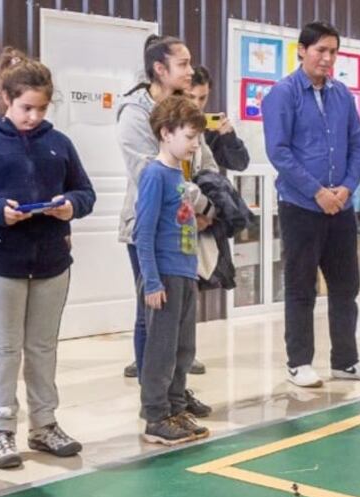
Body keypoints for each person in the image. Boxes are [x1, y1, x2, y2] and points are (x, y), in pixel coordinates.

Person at [0, 48, 96, 469]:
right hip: (1, 262)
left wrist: (70, 205)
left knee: (43, 348)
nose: (33, 116)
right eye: (25, 107)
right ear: (7, 100)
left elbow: (85, 193)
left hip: (51, 262)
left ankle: (45, 425)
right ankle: (0, 429)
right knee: (5, 348)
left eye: (41, 108)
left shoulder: (59, 143)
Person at [261, 20, 360, 388]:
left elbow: (358, 146)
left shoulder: (342, 95)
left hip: (342, 207)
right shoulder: (282, 94)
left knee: (346, 286)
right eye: (320, 51)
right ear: (301, 50)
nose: (327, 58)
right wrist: (317, 192)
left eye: (333, 52)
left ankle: (345, 361)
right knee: (301, 287)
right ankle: (298, 362)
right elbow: (278, 152)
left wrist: (346, 188)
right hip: (302, 206)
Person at [116, 35, 211, 417]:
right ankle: (154, 404)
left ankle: (174, 396)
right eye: (184, 64)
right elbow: (148, 182)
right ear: (160, 68)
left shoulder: (185, 113)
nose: (190, 71)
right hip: (157, 243)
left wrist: (205, 202)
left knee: (179, 337)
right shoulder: (136, 115)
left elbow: (203, 167)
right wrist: (187, 195)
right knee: (154, 327)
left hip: (184, 247)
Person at [134, 95, 211, 445]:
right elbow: (143, 232)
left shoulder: (179, 173)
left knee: (184, 347)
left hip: (183, 272)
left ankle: (176, 407)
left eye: (197, 138)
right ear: (166, 133)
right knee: (161, 349)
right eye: (190, 136)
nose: (195, 145)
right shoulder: (154, 174)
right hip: (162, 275)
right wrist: (151, 280)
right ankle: (155, 415)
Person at [187, 66, 250, 172]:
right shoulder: (168, 123)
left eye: (202, 98)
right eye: (191, 97)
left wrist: (229, 136)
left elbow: (241, 164)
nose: (197, 104)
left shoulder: (211, 129)